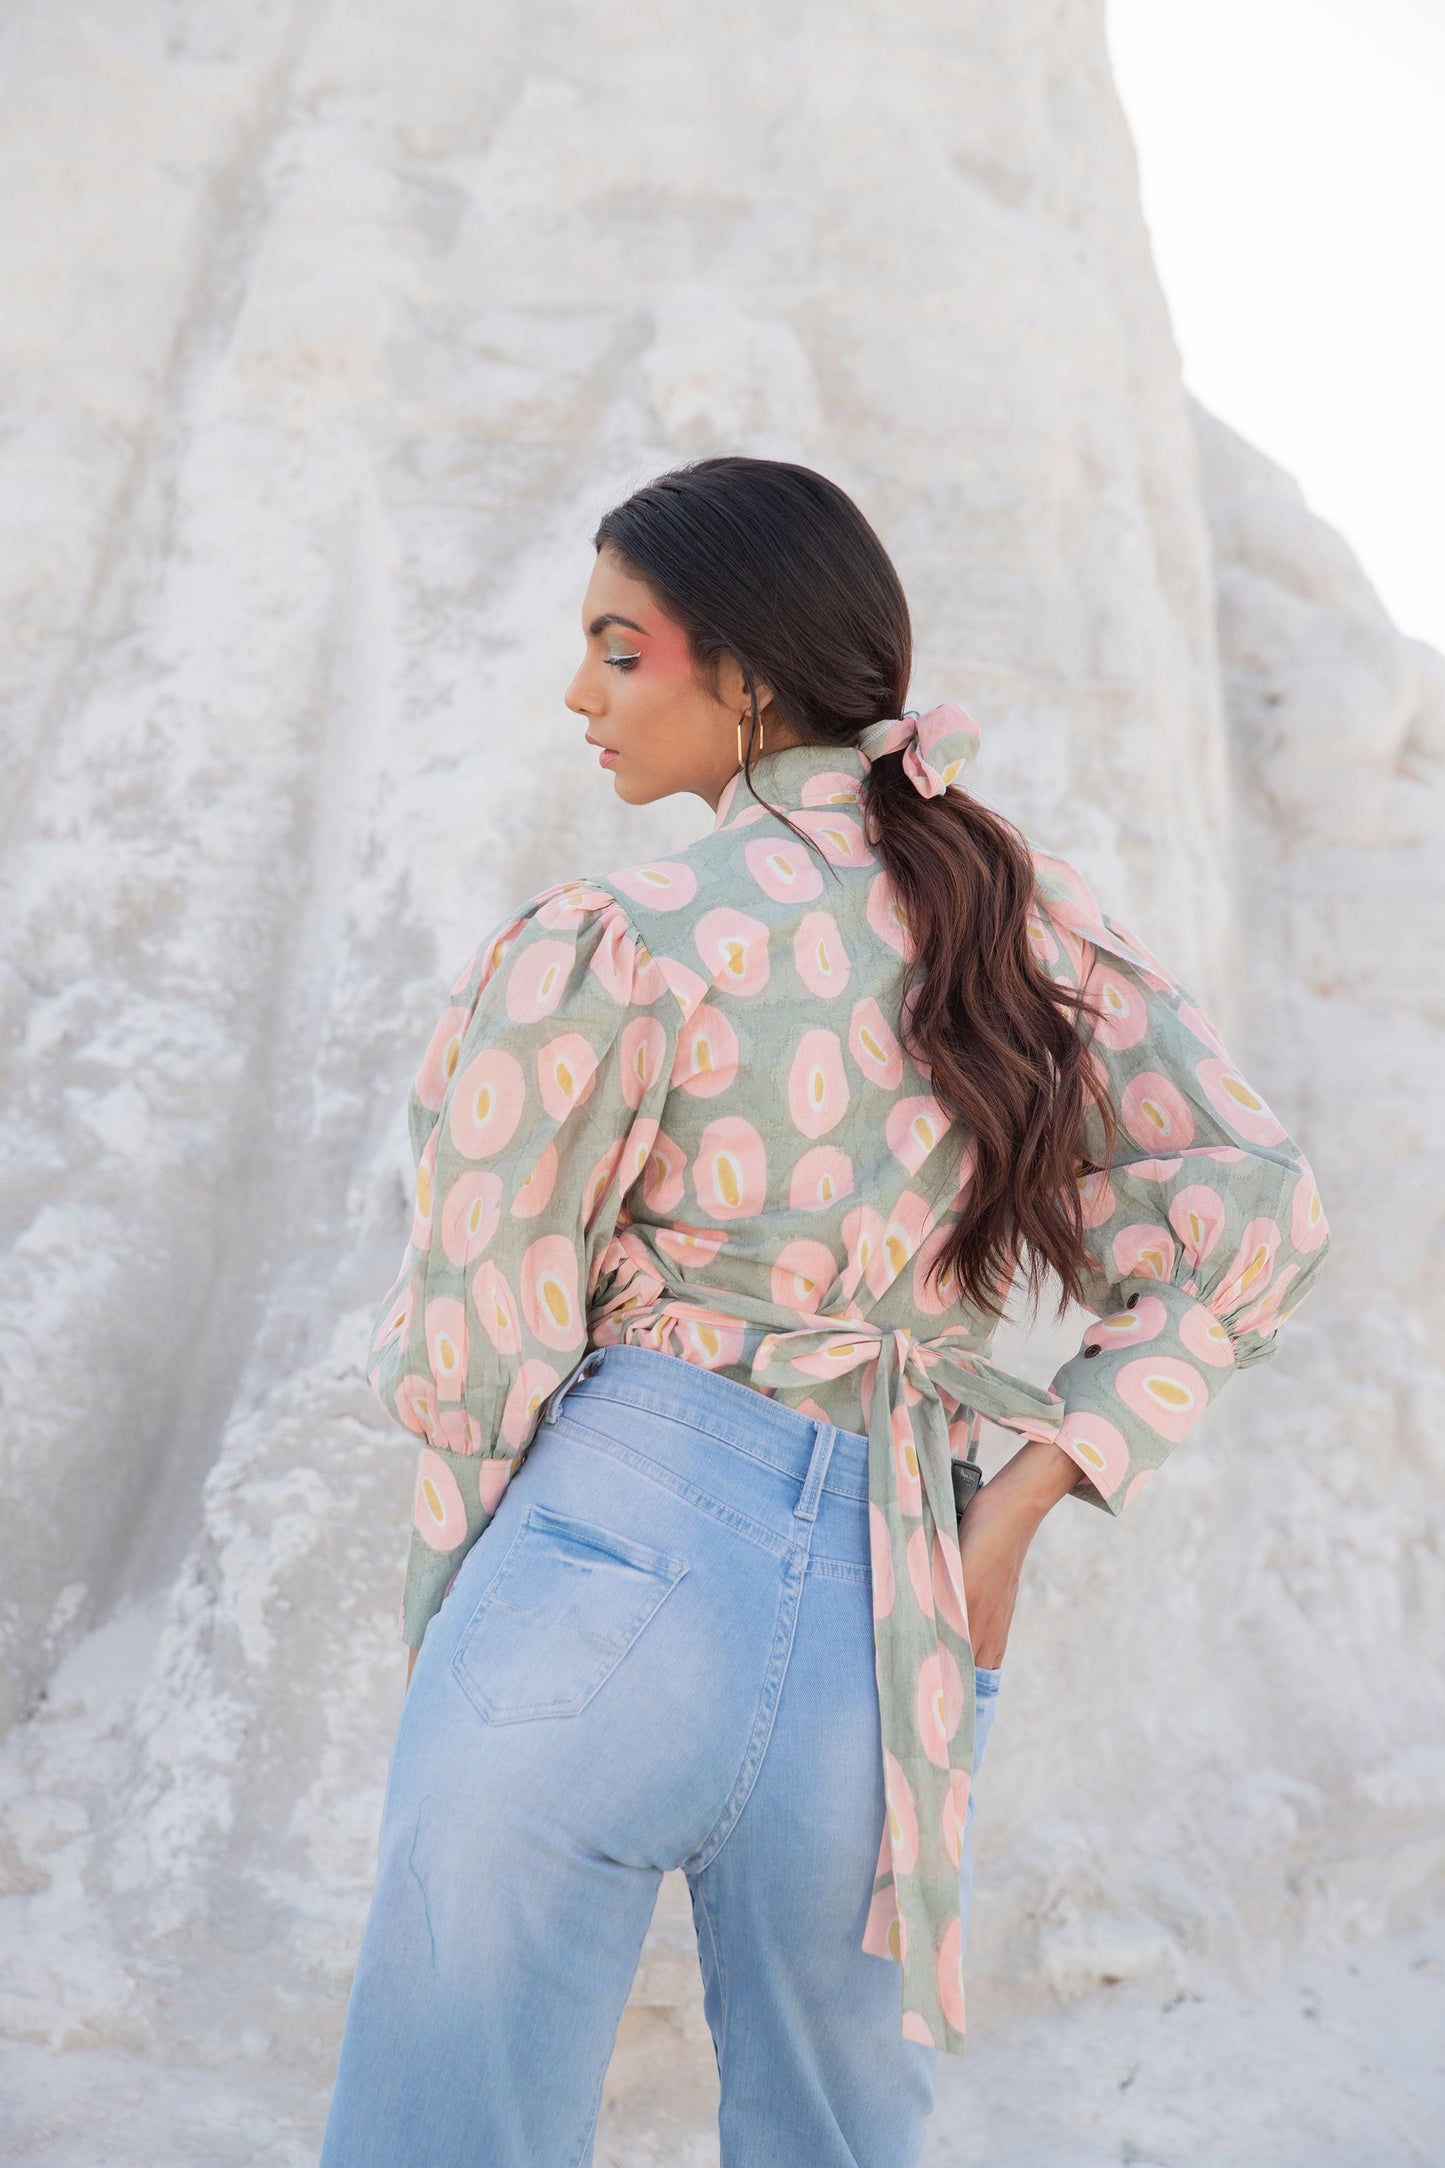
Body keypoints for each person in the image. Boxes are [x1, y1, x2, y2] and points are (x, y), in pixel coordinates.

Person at [318, 457, 1330, 2166]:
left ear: (748, 673)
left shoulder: (617, 939)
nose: (579, 693)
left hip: (610, 1553)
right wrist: (1029, 1496)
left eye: (619, 649)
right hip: (895, 1602)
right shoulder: (1016, 920)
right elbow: (1264, 1207)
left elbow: (479, 1335)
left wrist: (454, 1622)